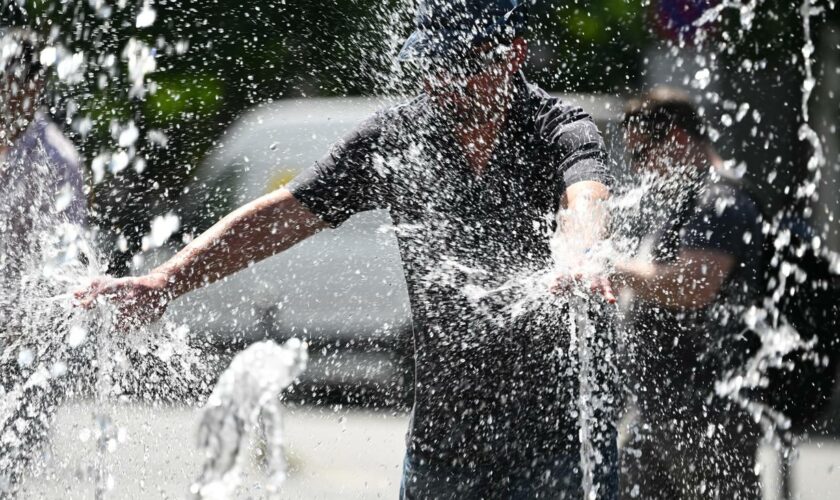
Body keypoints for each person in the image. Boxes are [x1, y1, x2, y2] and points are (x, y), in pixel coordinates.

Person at [77, 1, 619, 497]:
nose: (444, 84)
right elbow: (284, 213)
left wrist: (579, 256)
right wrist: (164, 281)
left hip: (559, 449)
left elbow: (586, 196)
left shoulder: (559, 129)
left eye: (461, 68)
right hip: (442, 450)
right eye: (435, 67)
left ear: (512, 54)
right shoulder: (399, 137)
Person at [613, 87, 766, 499]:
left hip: (705, 414)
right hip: (662, 409)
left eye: (642, 154)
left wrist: (613, 269)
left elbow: (693, 287)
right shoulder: (688, 198)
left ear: (678, 139)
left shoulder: (720, 200)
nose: (640, 168)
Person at [0, 27, 86, 493]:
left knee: (9, 468)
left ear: (32, 86)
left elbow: (67, 257)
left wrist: (30, 319)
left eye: (7, 80)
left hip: (22, 343)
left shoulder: (55, 161)